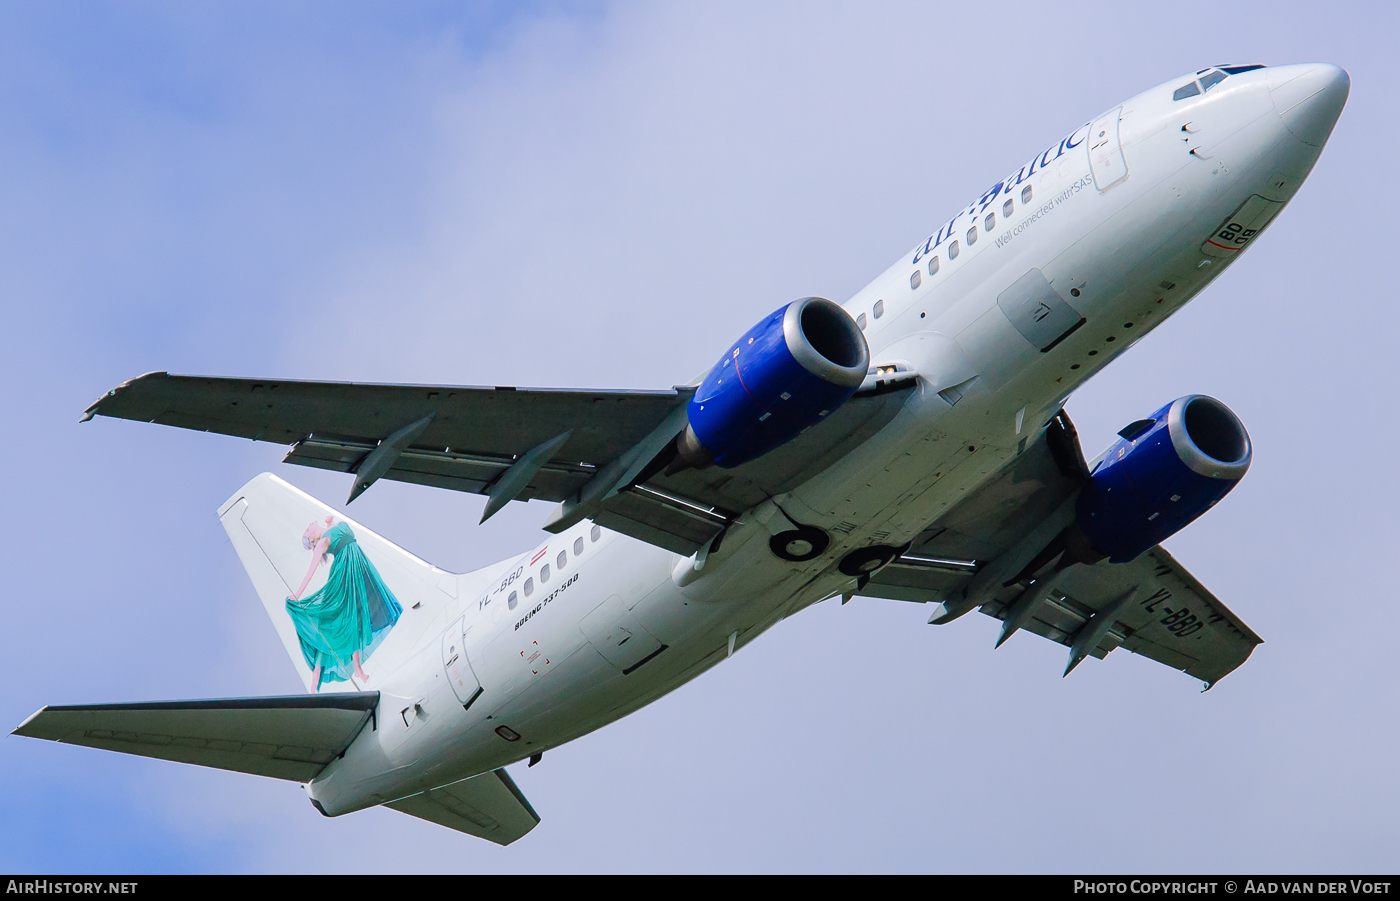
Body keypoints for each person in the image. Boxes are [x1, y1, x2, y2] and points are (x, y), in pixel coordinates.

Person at [286, 515, 402, 690]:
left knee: (358, 616)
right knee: (350, 618)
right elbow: (311, 571)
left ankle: (356, 668)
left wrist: (329, 524)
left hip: (359, 565)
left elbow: (338, 534)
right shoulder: (322, 543)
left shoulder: (330, 529)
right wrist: (297, 594)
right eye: (307, 530)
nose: (309, 524)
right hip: (345, 572)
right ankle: (339, 671)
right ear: (311, 538)